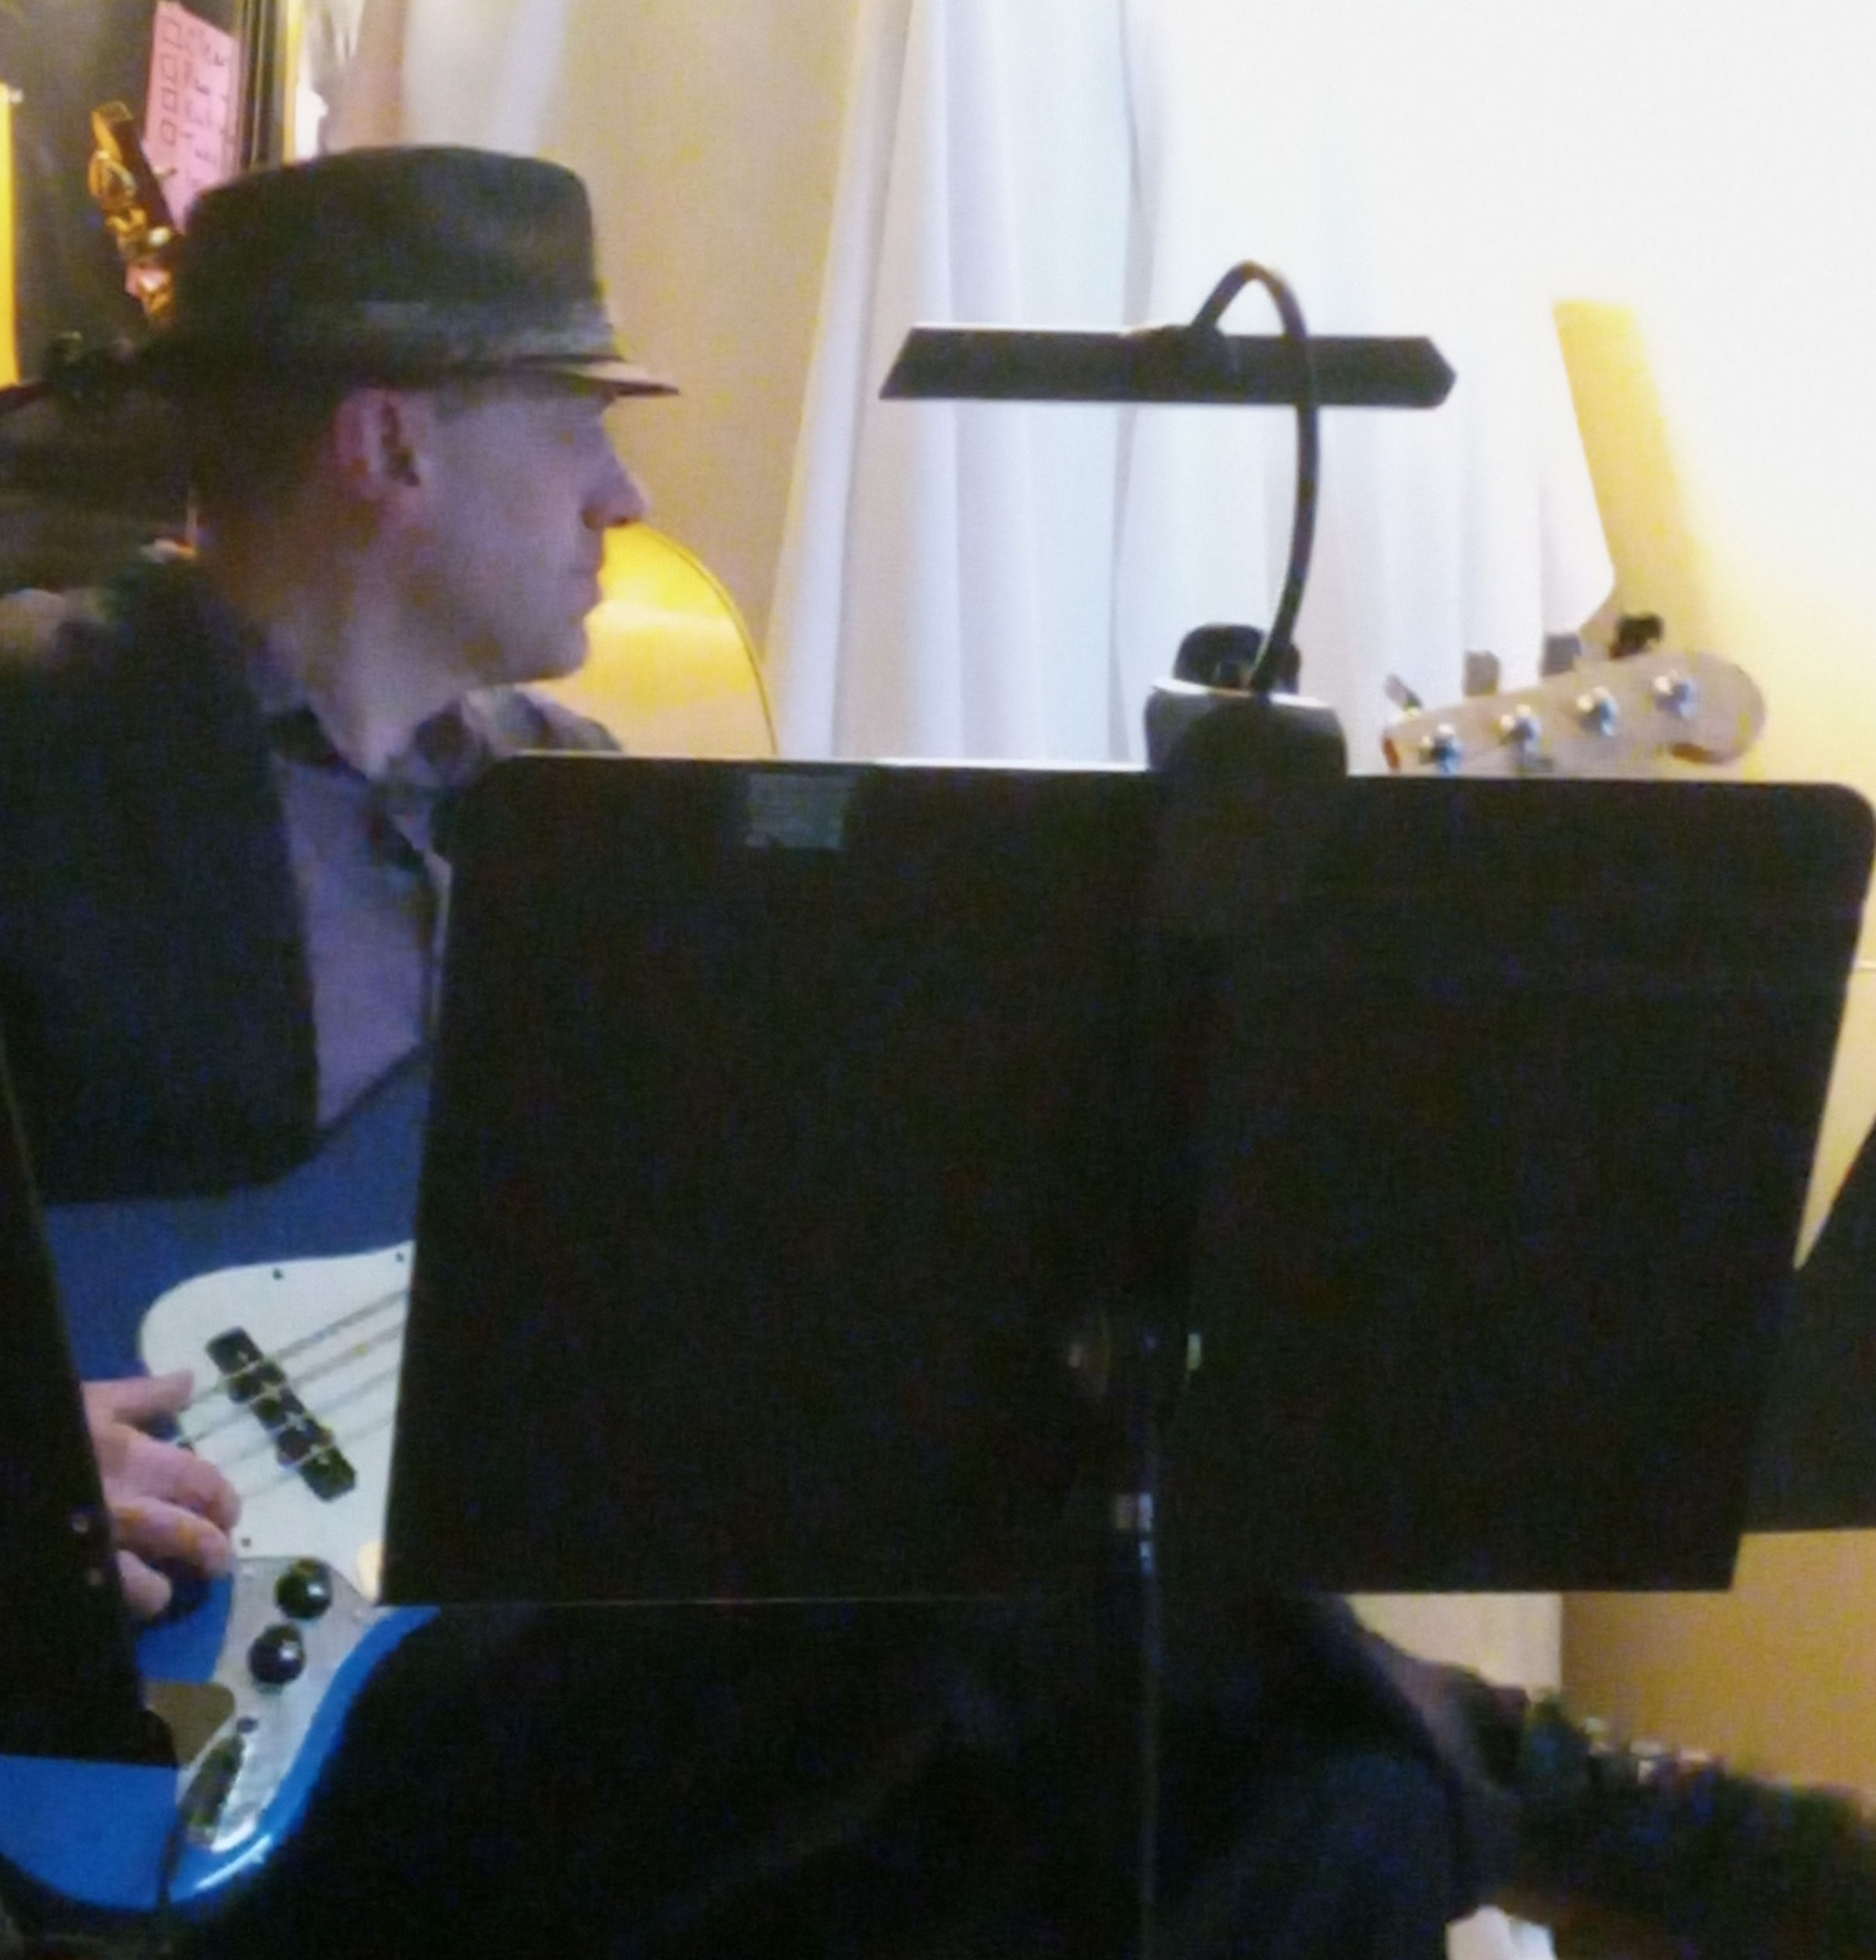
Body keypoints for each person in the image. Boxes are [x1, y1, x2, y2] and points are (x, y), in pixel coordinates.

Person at [0, 146, 1527, 1959]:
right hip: (231, 1702)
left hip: (584, 1645)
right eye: (576, 422)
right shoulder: (46, 740)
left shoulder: (599, 816)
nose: (624, 494)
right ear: (393, 445)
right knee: (1030, 1623)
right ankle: (1541, 1775)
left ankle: (1448, 1765)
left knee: (1316, 1811)